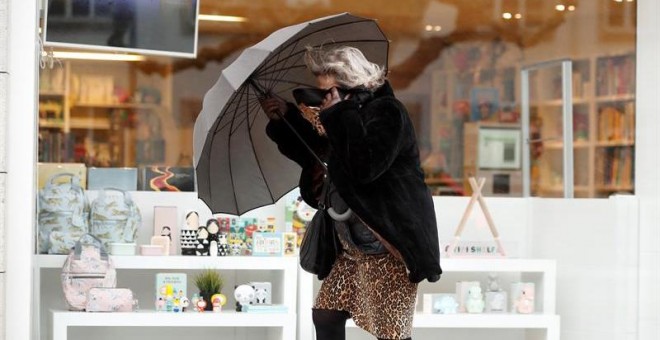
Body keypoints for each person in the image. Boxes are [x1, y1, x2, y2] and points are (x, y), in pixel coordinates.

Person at [261, 45, 442, 340]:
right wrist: (285, 120)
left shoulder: (387, 112)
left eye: (327, 92)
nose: (322, 100)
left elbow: (365, 167)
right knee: (325, 315)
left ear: (350, 86)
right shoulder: (340, 114)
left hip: (389, 245)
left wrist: (339, 115)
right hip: (352, 245)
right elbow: (321, 156)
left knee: (392, 333)